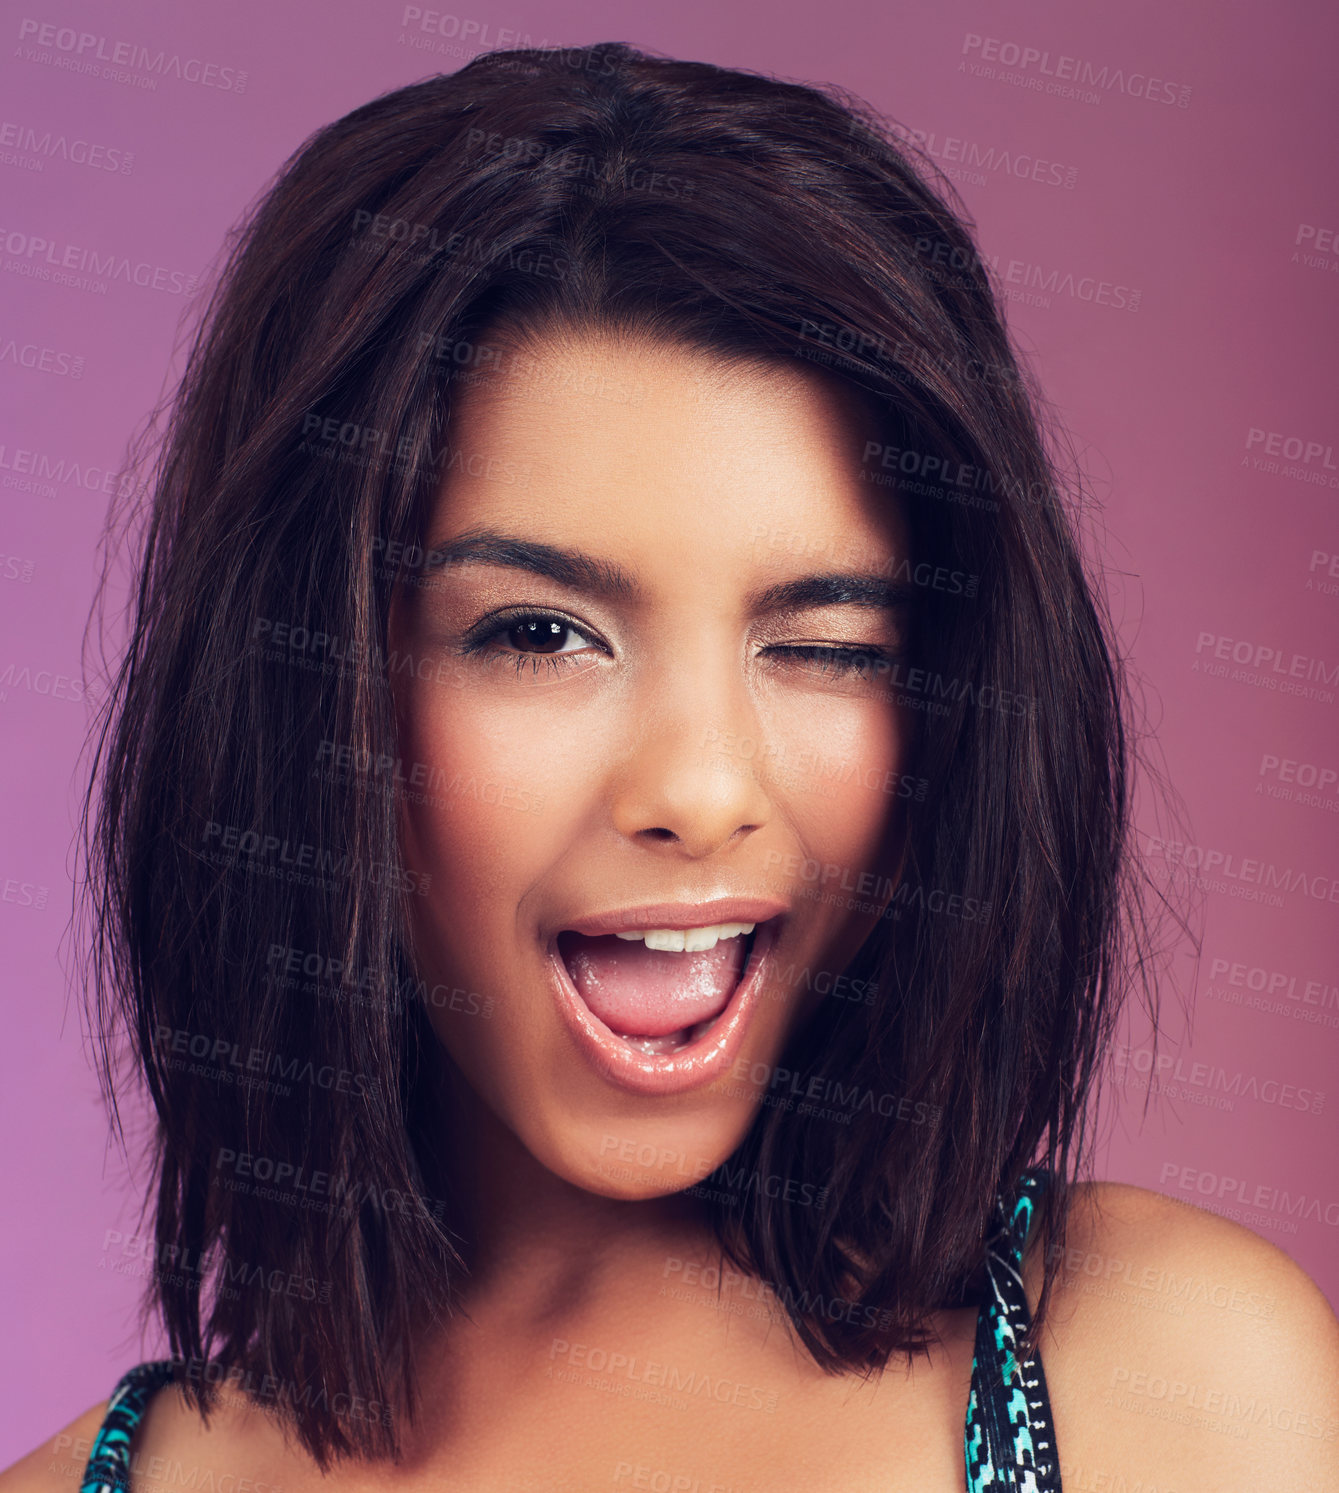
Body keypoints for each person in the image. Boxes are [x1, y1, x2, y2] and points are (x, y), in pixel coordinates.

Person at [4, 40, 1336, 1493]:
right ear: (308, 687)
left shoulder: (1168, 1388)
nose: (700, 790)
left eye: (826, 641)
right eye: (540, 632)